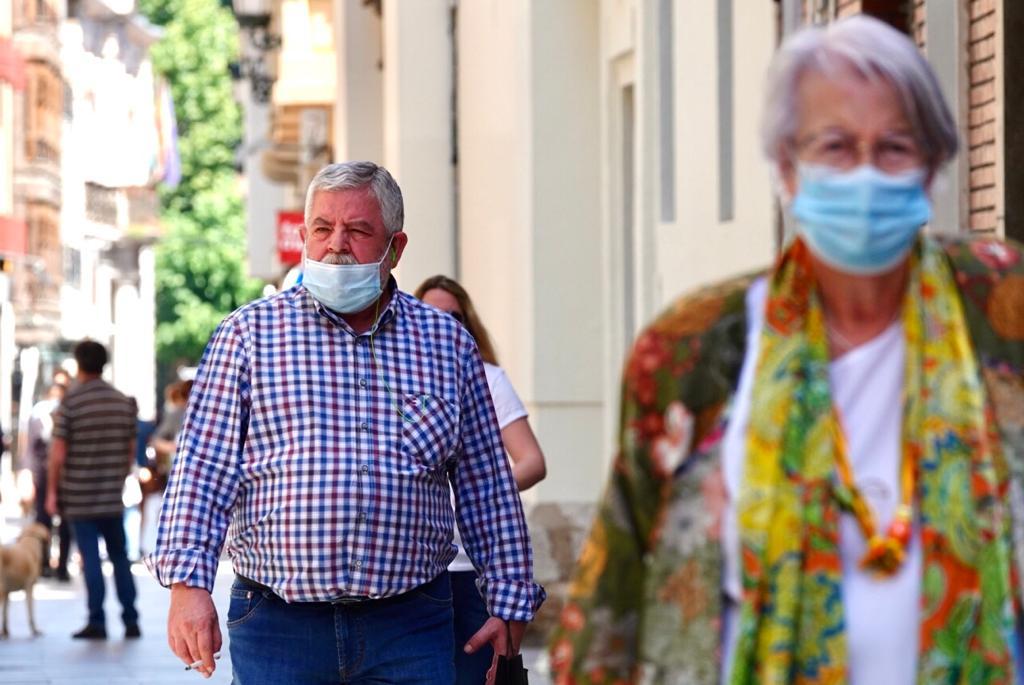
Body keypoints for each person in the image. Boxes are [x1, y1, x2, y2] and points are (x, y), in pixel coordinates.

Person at [550, 15, 1024, 685]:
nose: (865, 173)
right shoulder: (696, 351)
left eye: (893, 147)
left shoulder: (1004, 314)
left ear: (933, 166)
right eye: (835, 146)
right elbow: (615, 596)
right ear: (786, 166)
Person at [147, 161, 544, 683]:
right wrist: (188, 588)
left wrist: (510, 598)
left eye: (358, 231)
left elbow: (485, 484)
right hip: (277, 626)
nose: (336, 245)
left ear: (395, 249)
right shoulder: (248, 337)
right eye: (321, 228)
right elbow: (202, 470)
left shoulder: (447, 345)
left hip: (411, 623)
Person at [415, 275, 548, 683]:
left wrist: (475, 491)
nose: (443, 323)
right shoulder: (394, 375)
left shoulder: (486, 377)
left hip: (470, 573)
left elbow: (531, 460)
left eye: (453, 316)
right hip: (418, 573)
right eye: (431, 314)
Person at [46, 340, 140, 640]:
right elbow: (130, 449)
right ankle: (130, 618)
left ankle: (97, 620)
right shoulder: (121, 401)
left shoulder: (71, 403)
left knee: (90, 559)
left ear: (78, 364)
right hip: (112, 495)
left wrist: (51, 492)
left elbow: (58, 452)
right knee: (120, 557)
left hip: (79, 496)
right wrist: (119, 477)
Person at [26, 382, 70, 580]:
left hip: (66, 480)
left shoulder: (69, 418)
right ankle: (43, 563)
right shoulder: (38, 420)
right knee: (42, 521)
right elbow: (31, 450)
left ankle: (62, 567)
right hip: (43, 478)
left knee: (66, 526)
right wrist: (27, 475)